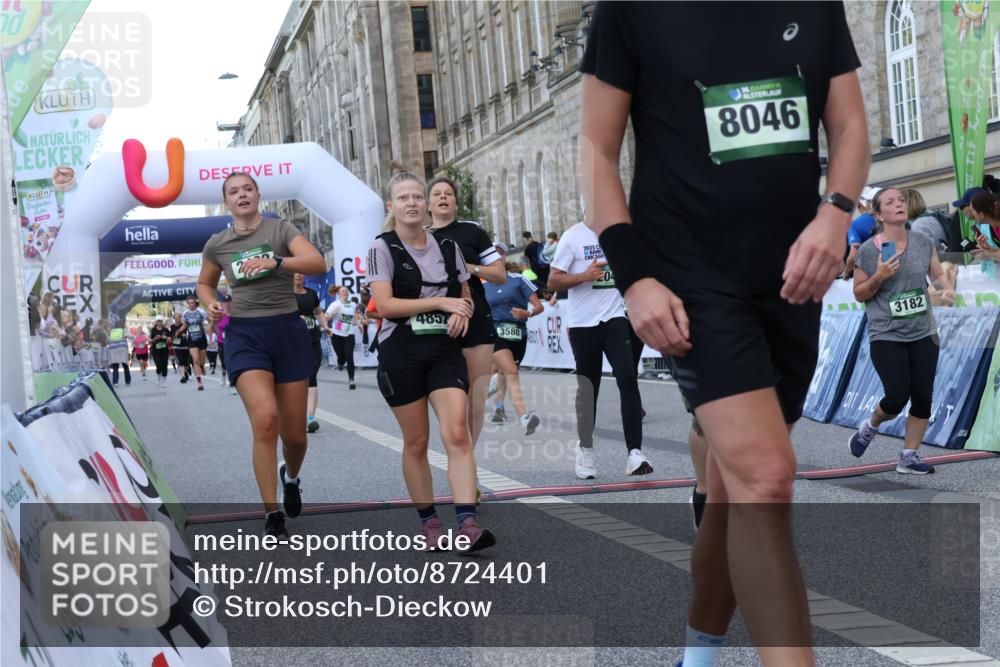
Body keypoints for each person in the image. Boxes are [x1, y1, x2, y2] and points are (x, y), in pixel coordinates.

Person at [579, 3, 870, 666]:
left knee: (732, 482)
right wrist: (634, 278)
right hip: (689, 276)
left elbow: (849, 123)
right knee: (766, 474)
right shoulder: (629, 11)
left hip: (793, 275)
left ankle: (698, 657)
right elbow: (596, 149)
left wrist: (836, 215)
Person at [367, 171, 495, 552]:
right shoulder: (382, 247)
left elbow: (464, 291)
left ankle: (468, 524)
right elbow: (385, 306)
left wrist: (463, 310)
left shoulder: (448, 246)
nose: (411, 203)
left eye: (416, 197)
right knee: (417, 441)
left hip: (443, 349)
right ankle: (430, 523)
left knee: (457, 432)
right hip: (401, 350)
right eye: (403, 198)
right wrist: (441, 303)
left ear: (425, 205)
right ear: (392, 207)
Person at [198, 171, 326, 537]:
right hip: (245, 335)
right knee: (266, 420)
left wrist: (278, 262)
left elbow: (317, 263)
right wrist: (213, 303)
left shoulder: (280, 230)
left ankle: (292, 477)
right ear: (227, 202)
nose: (242, 195)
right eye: (234, 191)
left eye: (248, 189)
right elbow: (205, 283)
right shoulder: (217, 244)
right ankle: (272, 512)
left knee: (296, 436)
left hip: (287, 330)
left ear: (257, 195)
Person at [848, 187, 955, 473]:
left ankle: (909, 456)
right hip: (886, 333)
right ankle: (870, 425)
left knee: (923, 395)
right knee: (896, 396)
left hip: (923, 329)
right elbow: (859, 293)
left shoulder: (922, 241)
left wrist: (947, 290)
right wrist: (879, 277)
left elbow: (936, 273)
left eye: (901, 200)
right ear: (878, 213)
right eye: (891, 202)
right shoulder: (870, 250)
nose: (899, 204)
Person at [548, 221, 651, 479]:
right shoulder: (573, 236)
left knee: (628, 379)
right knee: (588, 387)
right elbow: (553, 281)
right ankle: (585, 450)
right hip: (583, 324)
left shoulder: (619, 233)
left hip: (615, 318)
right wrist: (584, 275)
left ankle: (635, 453)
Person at [427, 176, 506, 463]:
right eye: (437, 194)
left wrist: (469, 267)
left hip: (476, 321)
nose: (443, 197)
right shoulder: (419, 236)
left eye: (448, 193)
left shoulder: (472, 232)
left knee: (475, 399)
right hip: (437, 323)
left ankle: (466, 464)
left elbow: (500, 274)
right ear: (428, 203)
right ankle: (458, 451)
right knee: (450, 401)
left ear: (456, 202)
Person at [484, 256, 544, 434]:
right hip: (494, 332)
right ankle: (525, 418)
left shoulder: (519, 280)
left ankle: (499, 409)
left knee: (507, 371)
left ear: (503, 261)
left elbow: (539, 306)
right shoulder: (483, 286)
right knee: (511, 371)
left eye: (497, 257)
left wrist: (528, 313)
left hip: (519, 333)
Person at [295, 273, 328, 431]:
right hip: (293, 342)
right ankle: (297, 416)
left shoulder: (311, 294)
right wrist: (295, 317)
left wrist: (326, 326)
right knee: (298, 380)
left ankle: (310, 418)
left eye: (301, 273)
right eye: (295, 273)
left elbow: (318, 312)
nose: (298, 275)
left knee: (312, 376)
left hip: (313, 340)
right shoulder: (285, 296)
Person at [325, 285, 360, 389]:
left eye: (346, 291)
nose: (345, 293)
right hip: (337, 334)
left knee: (349, 357)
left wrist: (357, 322)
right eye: (342, 291)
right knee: (342, 357)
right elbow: (326, 317)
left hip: (349, 334)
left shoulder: (353, 304)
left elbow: (357, 316)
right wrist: (333, 313)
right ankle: (340, 362)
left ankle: (351, 380)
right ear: (338, 293)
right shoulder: (334, 304)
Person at [841, 185, 879, 278]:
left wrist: (846, 272)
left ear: (858, 204)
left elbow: (853, 256)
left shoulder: (854, 224)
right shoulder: (890, 218)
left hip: (869, 275)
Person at [181, 295, 210, 391]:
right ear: (187, 304)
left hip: (201, 339)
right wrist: (179, 331)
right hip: (192, 340)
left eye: (192, 303)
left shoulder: (201, 312)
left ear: (195, 303)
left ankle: (202, 366)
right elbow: (185, 325)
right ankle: (199, 382)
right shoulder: (185, 314)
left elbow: (208, 321)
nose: (191, 305)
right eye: (189, 303)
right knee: (195, 360)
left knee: (201, 361)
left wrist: (211, 328)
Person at [969, 190, 1000, 261]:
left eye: (973, 210)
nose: (972, 214)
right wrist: (989, 250)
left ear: (981, 215)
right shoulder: (995, 226)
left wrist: (987, 254)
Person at [149, 317, 171, 387]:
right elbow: (149, 340)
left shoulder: (166, 330)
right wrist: (155, 338)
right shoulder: (153, 330)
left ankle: (164, 380)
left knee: (164, 365)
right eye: (158, 321)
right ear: (156, 322)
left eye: (160, 321)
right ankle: (158, 377)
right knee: (158, 365)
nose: (159, 323)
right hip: (156, 351)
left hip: (164, 350)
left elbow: (170, 339)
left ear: (162, 322)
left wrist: (166, 338)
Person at [170, 313, 191, 383]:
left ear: (180, 318)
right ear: (174, 318)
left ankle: (185, 373)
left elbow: (189, 333)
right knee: (180, 361)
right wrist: (176, 335)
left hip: (185, 346)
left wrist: (185, 335)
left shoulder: (184, 325)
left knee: (186, 362)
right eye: (175, 318)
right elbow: (173, 335)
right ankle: (183, 376)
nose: (177, 319)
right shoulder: (172, 326)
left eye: (178, 317)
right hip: (176, 346)